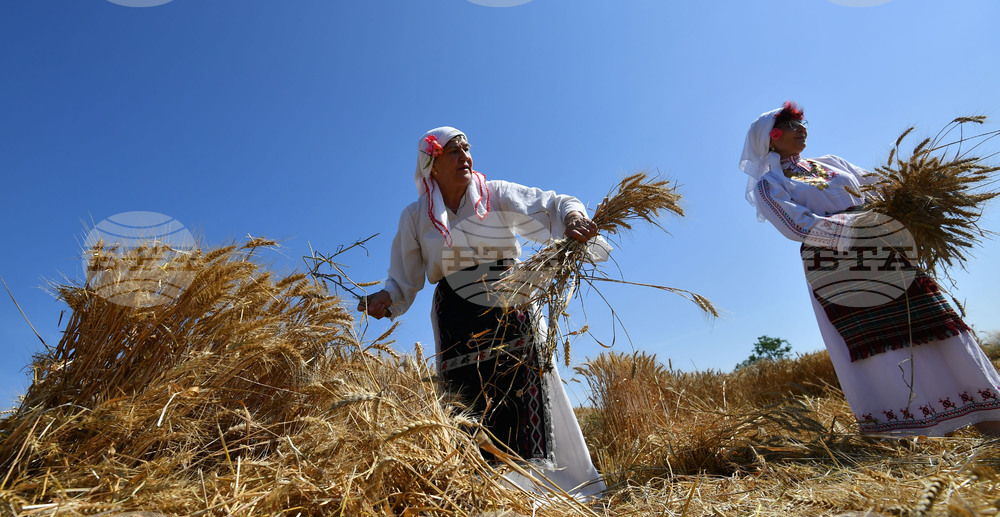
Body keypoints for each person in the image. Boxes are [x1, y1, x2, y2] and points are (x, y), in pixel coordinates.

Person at [359, 126, 607, 498]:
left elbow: (555, 202)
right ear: (432, 163)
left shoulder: (496, 195)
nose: (465, 157)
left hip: (510, 303)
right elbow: (403, 278)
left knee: (528, 390)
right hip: (455, 318)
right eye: (454, 151)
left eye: (467, 149)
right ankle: (487, 497)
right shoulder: (415, 217)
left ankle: (559, 493)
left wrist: (571, 218)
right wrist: (386, 298)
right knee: (468, 404)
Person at [739, 102, 1000, 437]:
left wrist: (907, 197)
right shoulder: (770, 184)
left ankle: (987, 417)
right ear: (770, 139)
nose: (801, 128)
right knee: (878, 340)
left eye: (802, 122)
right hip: (836, 263)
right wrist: (856, 229)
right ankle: (909, 430)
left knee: (932, 321)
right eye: (790, 125)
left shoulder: (831, 163)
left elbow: (876, 184)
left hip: (883, 247)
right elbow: (795, 226)